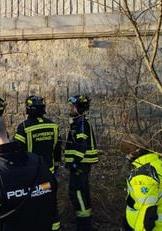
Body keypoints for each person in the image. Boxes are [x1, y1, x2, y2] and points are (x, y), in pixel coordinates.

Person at [13, 95, 61, 230]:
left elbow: (18, 151)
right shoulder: (53, 126)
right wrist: (56, 166)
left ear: (28, 109)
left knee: (32, 205)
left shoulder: (23, 127)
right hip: (49, 173)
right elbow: (57, 148)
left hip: (31, 176)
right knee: (51, 203)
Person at [120, 134, 162, 231]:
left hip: (149, 227)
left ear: (134, 153)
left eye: (126, 153)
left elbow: (146, 210)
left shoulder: (143, 175)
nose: (126, 157)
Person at [64, 95, 98, 231]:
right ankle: (85, 222)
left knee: (78, 193)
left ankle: (84, 225)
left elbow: (82, 145)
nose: (71, 109)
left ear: (78, 108)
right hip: (80, 165)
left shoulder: (81, 123)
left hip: (80, 165)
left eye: (73, 106)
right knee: (81, 192)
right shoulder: (78, 122)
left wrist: (75, 163)